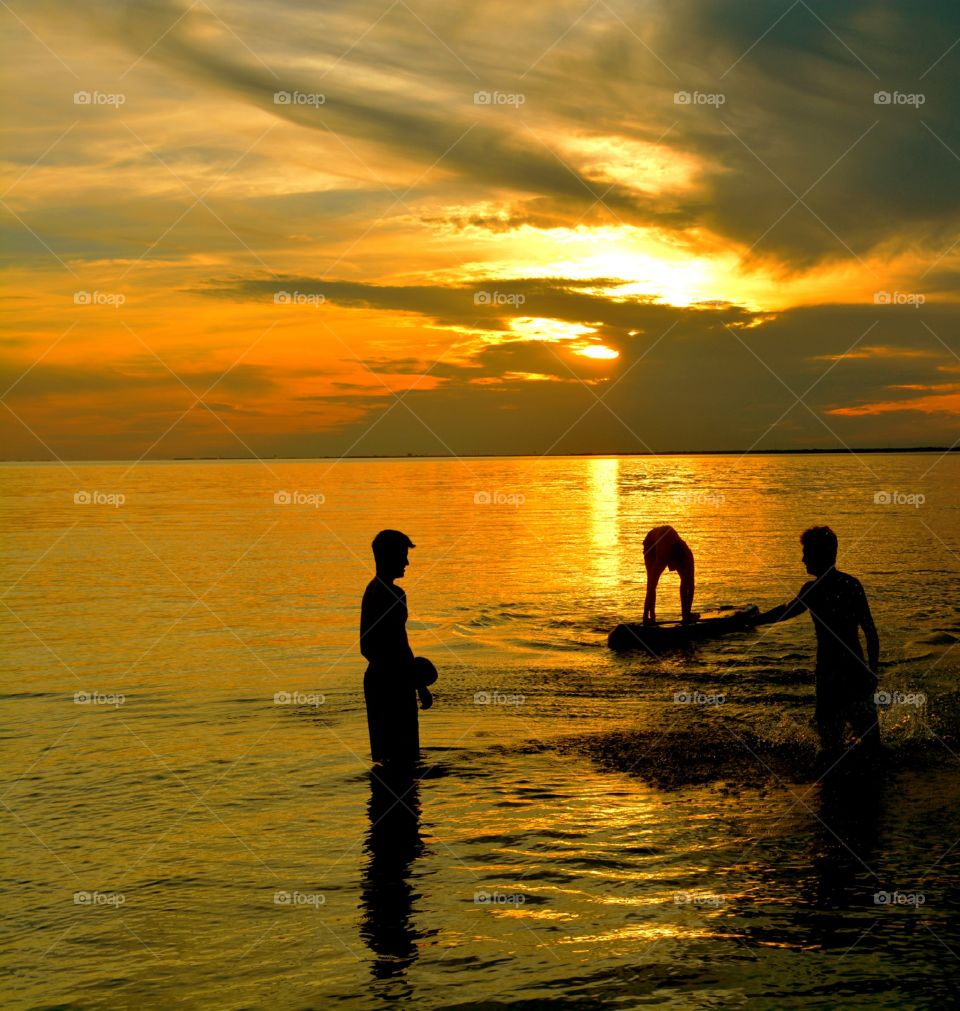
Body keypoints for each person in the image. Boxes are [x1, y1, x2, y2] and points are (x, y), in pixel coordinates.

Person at [756, 526, 880, 763]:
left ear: (819, 555)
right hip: (856, 672)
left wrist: (754, 620)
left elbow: (785, 612)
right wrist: (872, 670)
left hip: (830, 677)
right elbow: (871, 634)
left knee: (830, 750)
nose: (802, 559)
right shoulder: (852, 584)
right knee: (873, 747)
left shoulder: (813, 589)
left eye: (806, 553)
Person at [360, 529, 436, 766]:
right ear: (387, 556)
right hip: (394, 683)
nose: (406, 562)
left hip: (377, 680)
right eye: (402, 555)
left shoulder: (371, 589)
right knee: (405, 758)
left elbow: (368, 647)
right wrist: (418, 682)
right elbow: (398, 645)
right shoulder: (393, 594)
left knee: (385, 759)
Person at [642, 525, 698, 624]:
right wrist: (646, 618)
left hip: (666, 541)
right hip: (651, 544)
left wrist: (687, 614)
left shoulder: (688, 555)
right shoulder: (662, 555)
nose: (673, 569)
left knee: (687, 580)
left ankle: (686, 613)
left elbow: (691, 585)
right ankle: (648, 616)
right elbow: (651, 587)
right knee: (652, 582)